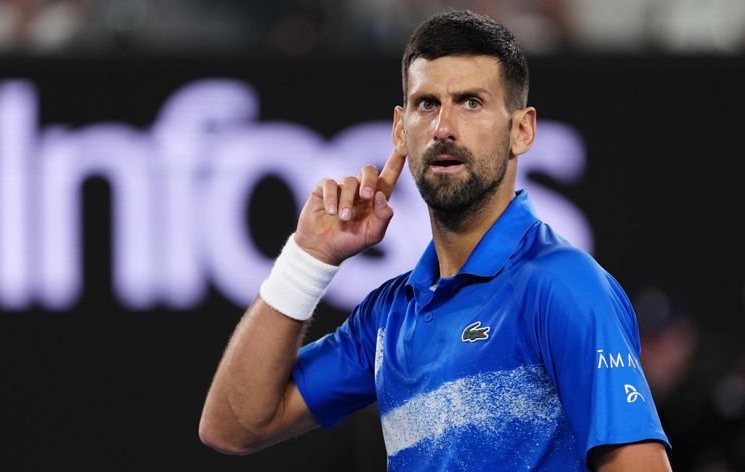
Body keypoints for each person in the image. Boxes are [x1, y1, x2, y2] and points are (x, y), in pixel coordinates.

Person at [200, 9, 672, 471]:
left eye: (471, 102)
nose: (444, 128)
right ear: (400, 130)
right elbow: (233, 427)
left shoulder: (563, 286)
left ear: (521, 130)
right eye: (427, 104)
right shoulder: (389, 317)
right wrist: (309, 257)